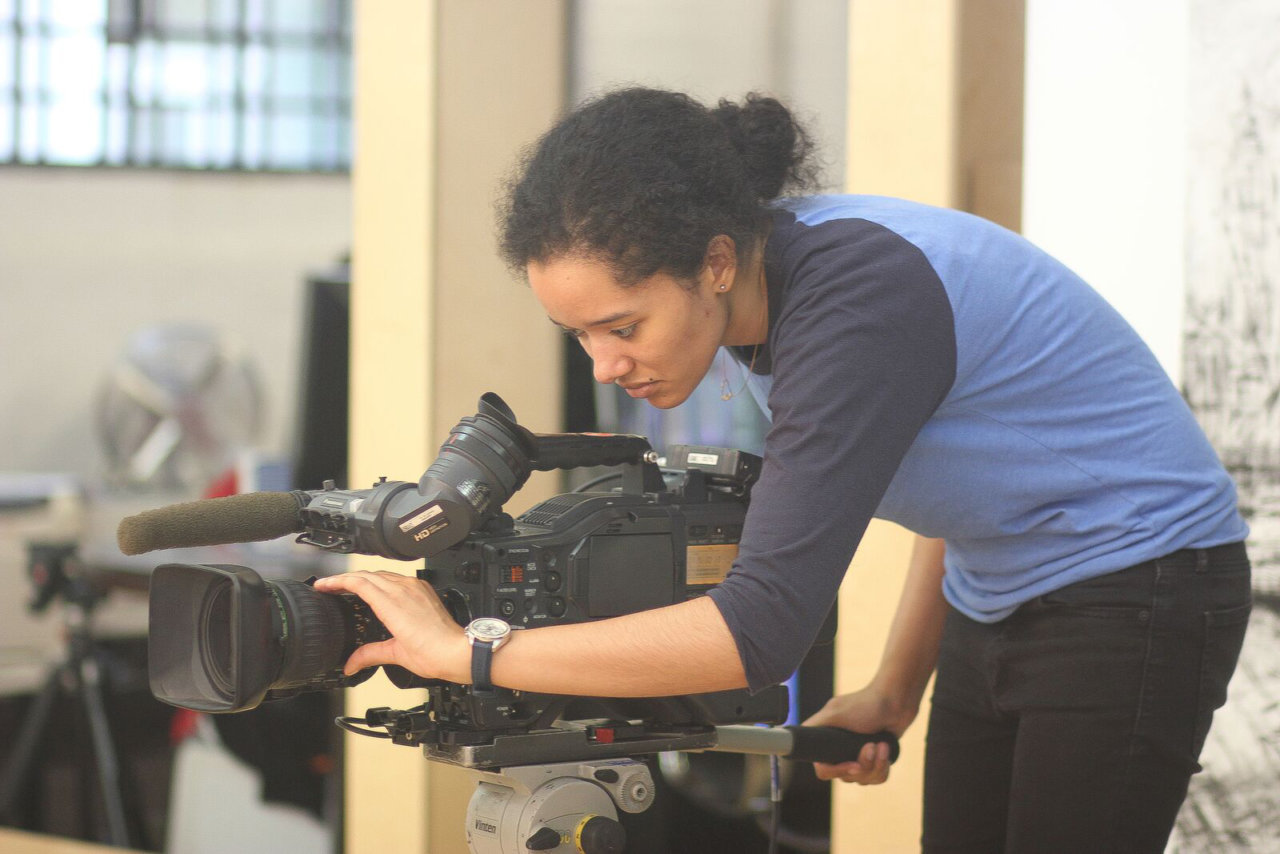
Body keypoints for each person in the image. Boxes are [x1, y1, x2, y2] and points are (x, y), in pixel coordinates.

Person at [314, 88, 1252, 852]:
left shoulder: (856, 306)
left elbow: (758, 632)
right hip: (1000, 585)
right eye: (579, 335)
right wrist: (893, 686)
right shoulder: (778, 287)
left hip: (1141, 581)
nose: (604, 366)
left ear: (716, 263)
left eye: (623, 326)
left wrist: (470, 652)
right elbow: (967, 491)